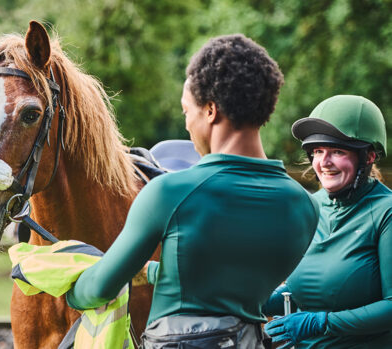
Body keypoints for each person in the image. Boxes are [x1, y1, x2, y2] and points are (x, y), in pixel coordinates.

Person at [65, 34, 319, 348]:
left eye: (187, 111)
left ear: (210, 110)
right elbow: (227, 274)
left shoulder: (169, 193)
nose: (186, 123)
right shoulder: (304, 206)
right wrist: (160, 273)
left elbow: (100, 287)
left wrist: (66, 283)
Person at [264, 95, 392, 348]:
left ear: (368, 157)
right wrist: (256, 299)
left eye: (337, 151)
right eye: (318, 151)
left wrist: (322, 322)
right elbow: (306, 290)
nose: (324, 163)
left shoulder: (386, 212)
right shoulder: (311, 206)